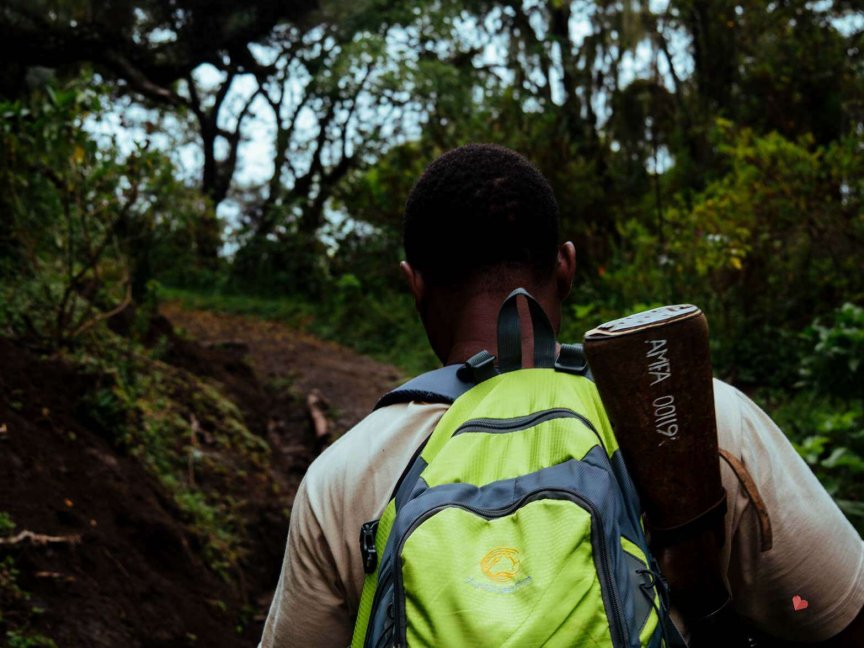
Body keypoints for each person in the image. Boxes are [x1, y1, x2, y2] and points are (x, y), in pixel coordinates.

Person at [260, 144, 863, 647]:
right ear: (567, 266)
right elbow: (840, 617)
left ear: (413, 284)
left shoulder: (340, 480)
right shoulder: (695, 414)